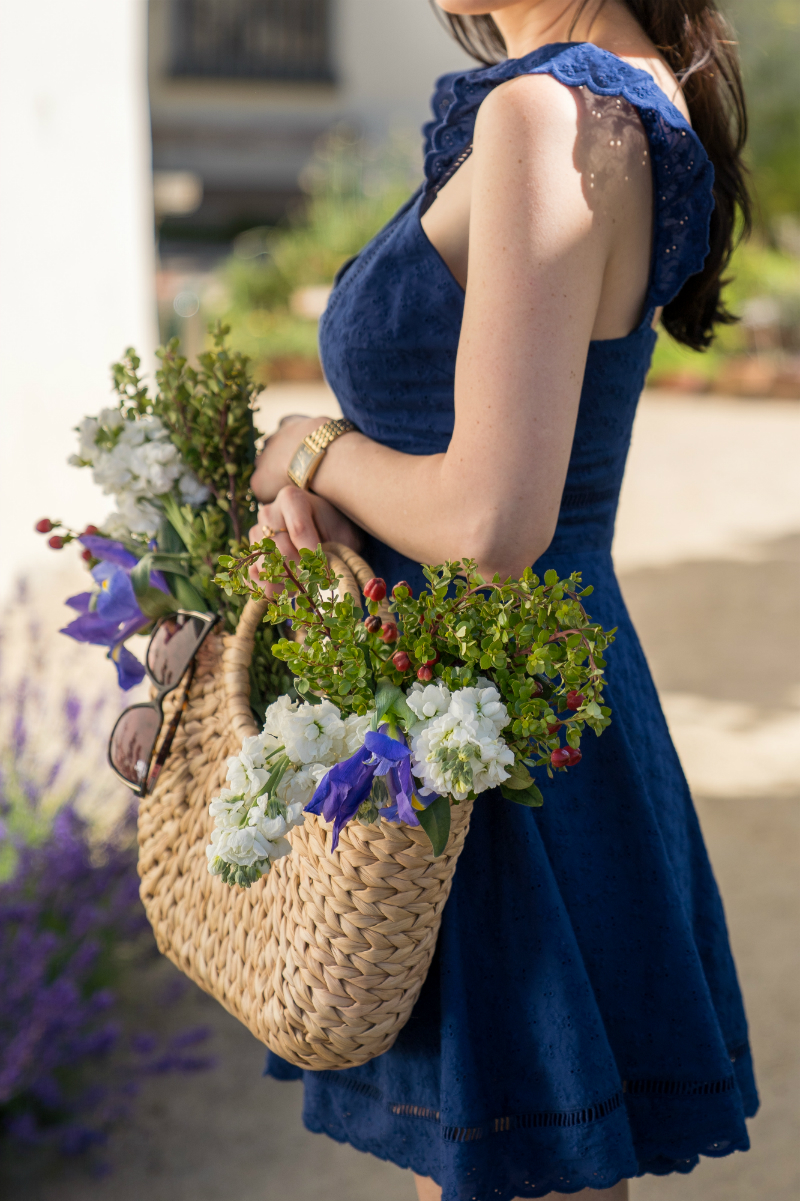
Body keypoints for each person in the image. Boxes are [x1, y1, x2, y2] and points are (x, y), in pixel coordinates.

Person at [249, 2, 757, 1198]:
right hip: (533, 694)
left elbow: (488, 525)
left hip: (490, 724)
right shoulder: (613, 91)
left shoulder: (549, 114)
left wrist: (306, 448)